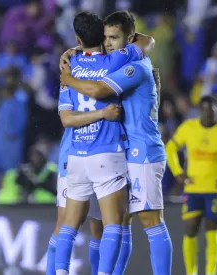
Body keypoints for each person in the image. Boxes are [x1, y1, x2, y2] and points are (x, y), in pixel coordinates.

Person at [59, 11, 173, 275]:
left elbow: (99, 90)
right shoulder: (118, 61)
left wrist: (69, 78)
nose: (108, 43)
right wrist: (76, 50)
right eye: (105, 38)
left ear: (129, 39)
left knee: (151, 220)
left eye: (114, 37)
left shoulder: (134, 66)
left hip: (142, 151)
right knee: (120, 221)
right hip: (125, 150)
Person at [165, 95, 217, 275]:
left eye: (212, 110)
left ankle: (211, 272)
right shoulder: (188, 128)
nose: (208, 114)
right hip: (193, 189)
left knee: (212, 228)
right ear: (200, 111)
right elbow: (170, 148)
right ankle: (190, 272)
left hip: (216, 190)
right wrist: (178, 173)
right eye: (205, 110)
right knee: (190, 228)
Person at [45, 90, 121, 275]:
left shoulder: (106, 70)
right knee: (65, 221)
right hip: (74, 153)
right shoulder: (71, 73)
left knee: (99, 227)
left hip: (103, 152)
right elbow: (67, 118)